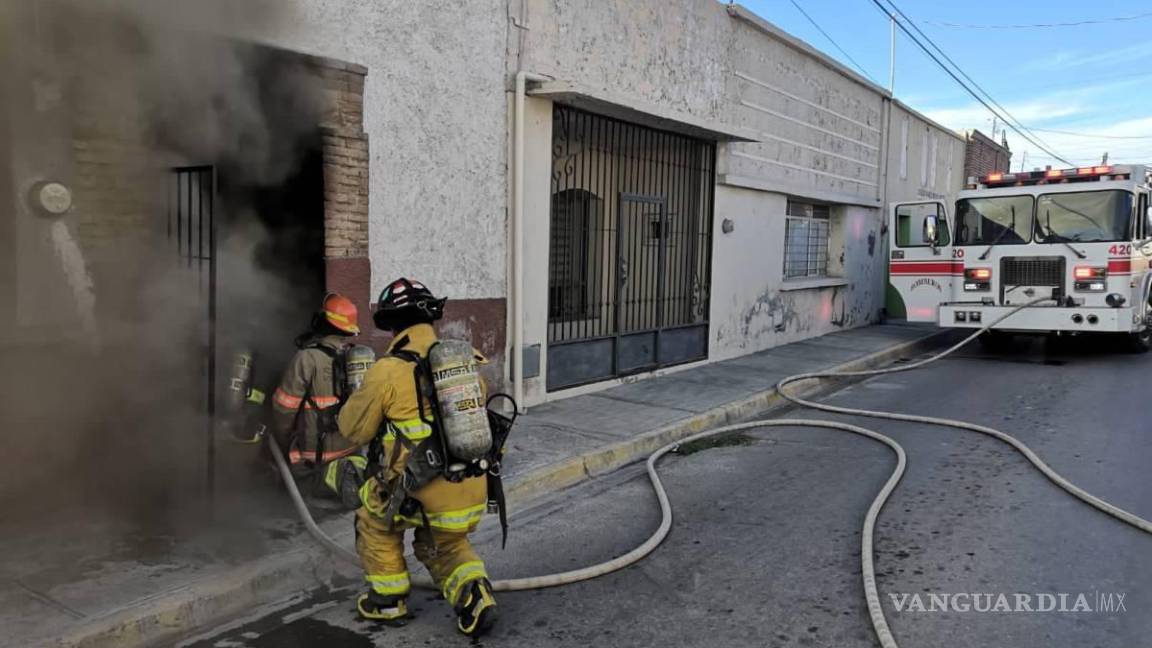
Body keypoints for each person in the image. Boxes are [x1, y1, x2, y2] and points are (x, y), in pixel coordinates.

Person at [336, 277, 498, 636]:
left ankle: (387, 600)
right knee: (444, 544)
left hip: (415, 491)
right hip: (469, 486)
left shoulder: (388, 370)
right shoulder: (463, 362)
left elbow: (353, 429)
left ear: (392, 324)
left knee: (374, 522)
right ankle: (475, 593)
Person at [270, 293, 362, 480]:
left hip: (315, 458)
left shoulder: (307, 358)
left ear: (322, 321)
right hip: (352, 451)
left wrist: (282, 439)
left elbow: (284, 409)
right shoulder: (356, 358)